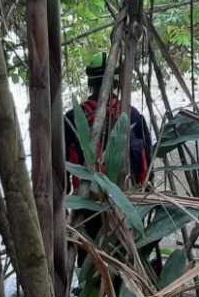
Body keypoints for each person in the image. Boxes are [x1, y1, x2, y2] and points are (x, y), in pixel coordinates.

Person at [64, 51, 153, 243]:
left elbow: (61, 171)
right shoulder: (133, 115)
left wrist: (64, 208)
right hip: (127, 204)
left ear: (89, 81)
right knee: (124, 263)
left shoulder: (72, 118)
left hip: (87, 205)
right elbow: (148, 167)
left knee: (90, 262)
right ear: (116, 82)